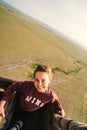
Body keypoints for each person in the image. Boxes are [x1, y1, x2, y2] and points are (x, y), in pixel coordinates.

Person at [0, 64, 65, 130]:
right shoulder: (27, 85)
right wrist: (1, 105)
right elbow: (12, 88)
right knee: (9, 125)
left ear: (49, 81)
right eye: (36, 80)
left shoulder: (50, 95)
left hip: (32, 112)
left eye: (43, 80)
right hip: (19, 107)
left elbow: (56, 101)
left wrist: (61, 109)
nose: (39, 84)